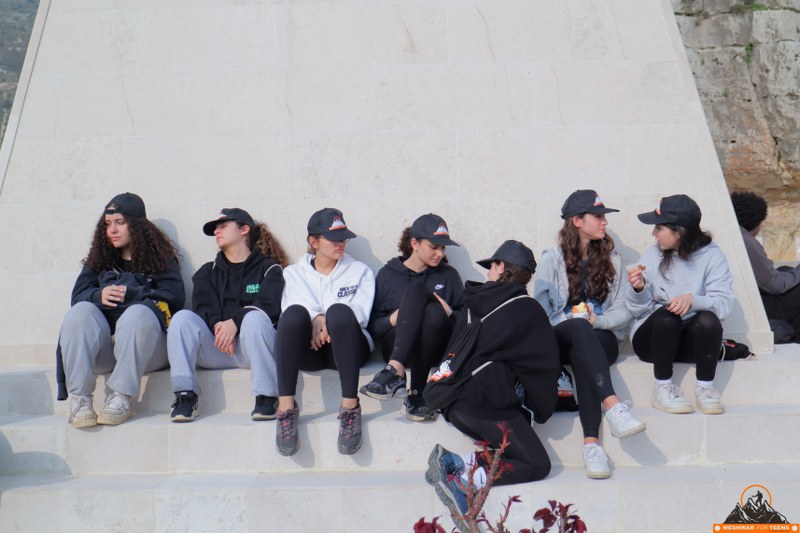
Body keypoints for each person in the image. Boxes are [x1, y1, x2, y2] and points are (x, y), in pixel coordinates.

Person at [425, 241, 560, 531]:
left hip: (451, 399)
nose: (488, 272)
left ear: (500, 267)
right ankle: (461, 477)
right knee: (538, 464)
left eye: (491, 266)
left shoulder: (471, 301)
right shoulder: (527, 309)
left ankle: (455, 464)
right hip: (484, 402)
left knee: (512, 452)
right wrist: (540, 410)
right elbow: (541, 367)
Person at [533, 190, 646, 480]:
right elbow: (541, 312)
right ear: (577, 221)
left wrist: (599, 321)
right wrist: (573, 319)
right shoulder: (551, 259)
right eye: (598, 216)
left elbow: (623, 308)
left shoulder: (613, 260)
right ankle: (613, 407)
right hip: (561, 336)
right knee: (579, 329)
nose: (604, 222)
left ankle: (592, 446)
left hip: (599, 334)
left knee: (585, 349)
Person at [56, 193, 185, 428]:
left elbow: (174, 299)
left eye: (120, 222)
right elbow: (77, 296)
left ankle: (122, 397)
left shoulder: (161, 260)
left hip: (147, 351)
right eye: (108, 224)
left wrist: (135, 294)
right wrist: (98, 296)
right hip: (105, 352)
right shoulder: (99, 260)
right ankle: (80, 400)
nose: (112, 230)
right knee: (80, 312)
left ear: (136, 225)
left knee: (138, 313)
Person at [167, 208, 287, 422]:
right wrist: (221, 329)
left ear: (244, 229)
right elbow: (204, 307)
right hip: (217, 347)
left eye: (223, 226)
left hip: (253, 350)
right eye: (215, 229)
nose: (217, 232)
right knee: (181, 318)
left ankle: (267, 397)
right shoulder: (207, 271)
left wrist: (235, 323)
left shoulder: (270, 269)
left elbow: (270, 307)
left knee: (256, 317)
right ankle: (185, 396)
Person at [274, 208, 375, 456]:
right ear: (314, 241)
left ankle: (350, 407)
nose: (341, 244)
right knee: (294, 315)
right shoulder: (293, 273)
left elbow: (360, 314)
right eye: (334, 239)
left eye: (344, 238)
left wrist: (325, 318)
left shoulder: (360, 271)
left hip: (349, 348)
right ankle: (286, 408)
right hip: (311, 351)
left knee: (340, 313)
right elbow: (291, 305)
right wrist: (315, 317)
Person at [627, 194, 735, 415]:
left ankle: (706, 389)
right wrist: (638, 289)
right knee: (668, 317)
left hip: (689, 345)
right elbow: (637, 310)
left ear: (679, 231)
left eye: (659, 228)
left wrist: (693, 300)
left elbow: (723, 305)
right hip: (652, 342)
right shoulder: (652, 254)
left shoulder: (712, 256)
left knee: (709, 320)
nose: (654, 233)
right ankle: (662, 388)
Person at [362, 214, 464, 421]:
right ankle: (415, 391)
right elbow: (375, 328)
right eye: (434, 247)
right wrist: (396, 318)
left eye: (443, 248)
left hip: (437, 349)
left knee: (432, 309)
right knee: (418, 291)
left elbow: (466, 325)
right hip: (398, 347)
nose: (440, 253)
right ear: (414, 243)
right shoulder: (388, 275)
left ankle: (397, 373)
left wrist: (448, 311)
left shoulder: (449, 275)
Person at [731, 191, 800, 342]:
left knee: (785, 270)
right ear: (755, 221)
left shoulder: (735, 235)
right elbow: (776, 285)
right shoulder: (747, 242)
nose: (759, 229)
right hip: (756, 308)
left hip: (744, 302)